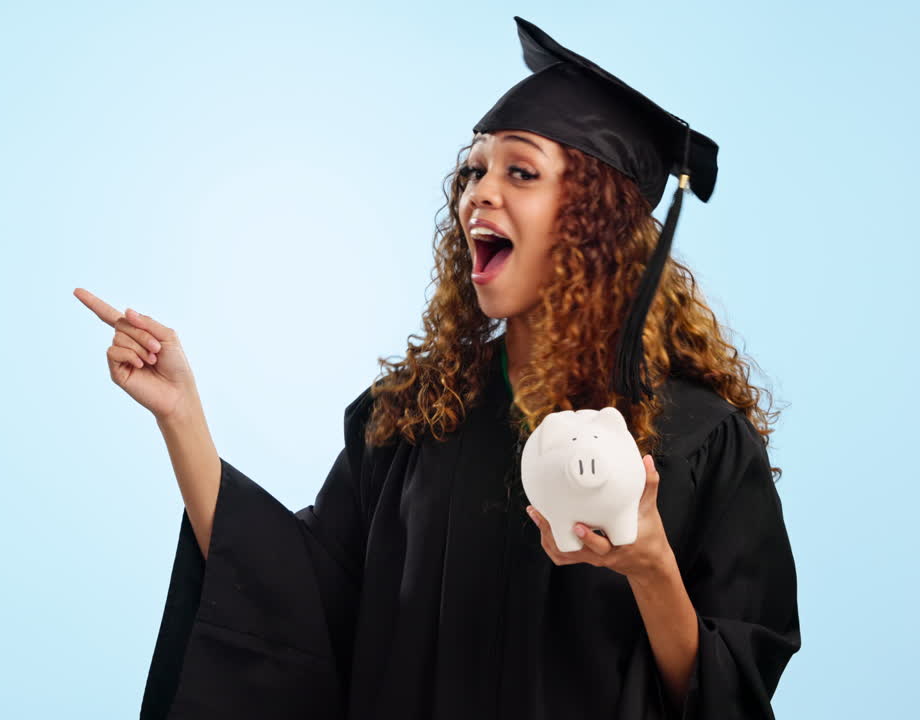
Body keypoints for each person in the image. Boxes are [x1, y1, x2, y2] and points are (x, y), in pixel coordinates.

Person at [76, 16, 799, 719]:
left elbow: (728, 691)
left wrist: (648, 564)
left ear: (595, 221)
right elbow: (290, 601)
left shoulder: (700, 441)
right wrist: (182, 416)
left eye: (521, 172)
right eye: (473, 172)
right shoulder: (412, 419)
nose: (479, 193)